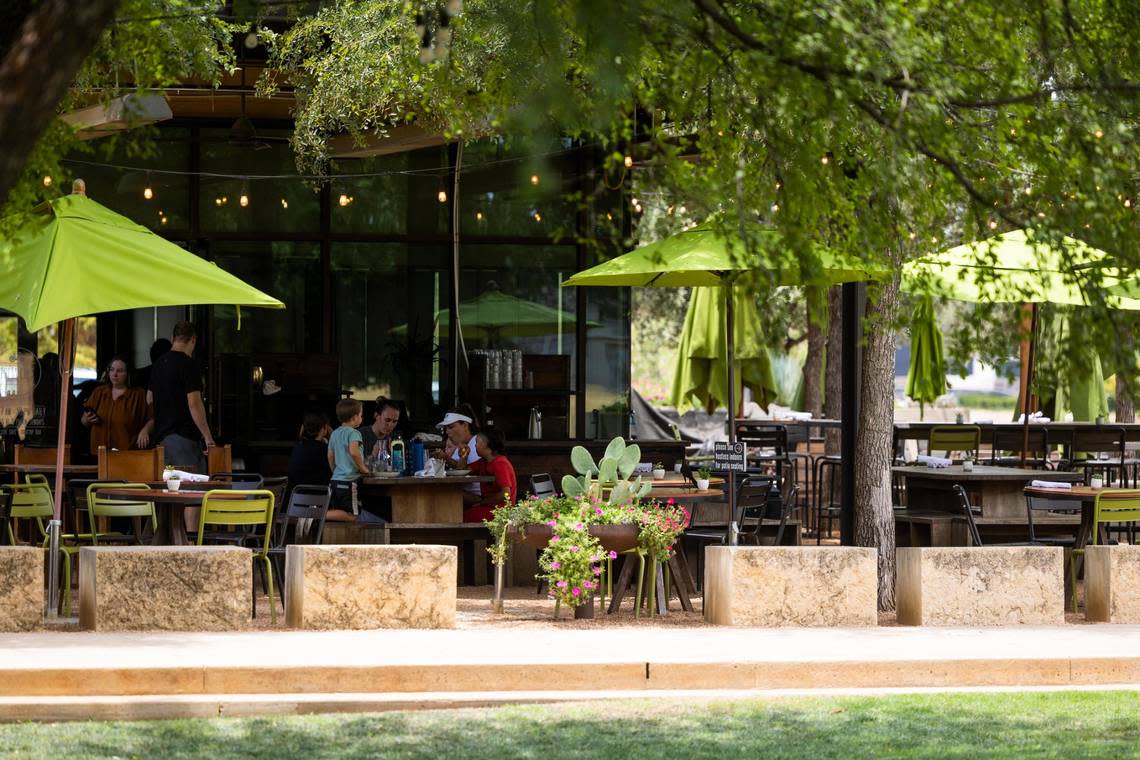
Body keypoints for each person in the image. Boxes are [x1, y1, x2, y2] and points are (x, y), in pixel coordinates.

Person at [147, 321, 215, 470]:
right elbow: (194, 403)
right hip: (184, 439)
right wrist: (208, 437)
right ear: (193, 340)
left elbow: (149, 399)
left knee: (167, 488)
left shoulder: (158, 364)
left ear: (173, 338)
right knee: (191, 488)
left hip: (161, 440)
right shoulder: (189, 365)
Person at [326, 398, 385, 523]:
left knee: (339, 513)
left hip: (335, 481)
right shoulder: (354, 433)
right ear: (354, 417)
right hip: (349, 482)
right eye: (361, 415)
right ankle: (317, 515)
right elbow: (354, 452)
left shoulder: (335, 433)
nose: (362, 418)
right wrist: (362, 468)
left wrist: (335, 471)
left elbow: (330, 455)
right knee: (353, 515)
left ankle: (317, 514)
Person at [81, 356, 152, 453]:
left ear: (128, 373)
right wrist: (87, 419)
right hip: (100, 452)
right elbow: (84, 421)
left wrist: (145, 430)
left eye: (120, 371)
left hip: (128, 452)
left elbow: (152, 418)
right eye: (112, 370)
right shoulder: (99, 392)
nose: (114, 374)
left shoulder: (139, 395)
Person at [463, 430, 518, 523]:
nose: (475, 445)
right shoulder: (484, 461)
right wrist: (464, 454)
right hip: (488, 505)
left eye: (477, 442)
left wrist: (482, 502)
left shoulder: (500, 463)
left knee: (463, 517)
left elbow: (506, 493)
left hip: (500, 510)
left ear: (485, 444)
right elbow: (463, 470)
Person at [436, 407, 482, 504]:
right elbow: (459, 468)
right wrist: (445, 457)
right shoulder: (460, 446)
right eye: (446, 428)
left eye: (451, 427)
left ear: (465, 425)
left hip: (478, 497)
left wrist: (446, 458)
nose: (447, 432)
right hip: (463, 492)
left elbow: (466, 471)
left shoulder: (479, 443)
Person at [288, 412, 332, 488]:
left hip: (297, 495)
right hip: (320, 495)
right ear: (324, 427)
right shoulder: (325, 450)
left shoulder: (298, 448)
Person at [358, 396, 401, 461]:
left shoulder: (394, 438)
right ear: (376, 415)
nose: (390, 425)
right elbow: (353, 465)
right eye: (387, 420)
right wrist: (373, 456)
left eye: (394, 421)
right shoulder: (359, 435)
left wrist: (393, 454)